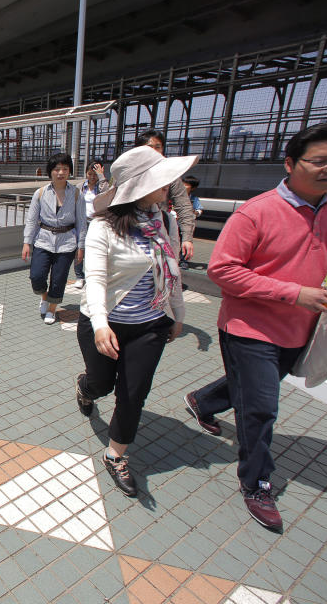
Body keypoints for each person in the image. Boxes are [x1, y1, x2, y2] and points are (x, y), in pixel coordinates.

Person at [184, 122, 327, 532]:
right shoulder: (257, 212)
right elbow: (222, 270)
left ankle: (203, 401)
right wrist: (294, 293)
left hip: (310, 327)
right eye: (321, 161)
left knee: (255, 387)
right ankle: (256, 482)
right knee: (261, 408)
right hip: (249, 327)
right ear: (291, 164)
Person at [75, 145, 193, 496]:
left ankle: (115, 454)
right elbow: (94, 279)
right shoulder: (103, 228)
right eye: (160, 181)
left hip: (150, 324)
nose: (168, 187)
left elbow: (170, 271)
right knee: (102, 385)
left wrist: (177, 315)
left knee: (133, 393)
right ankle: (85, 387)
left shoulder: (165, 220)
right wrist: (99, 323)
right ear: (138, 188)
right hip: (104, 323)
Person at [101, 129, 197, 260]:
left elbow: (183, 205)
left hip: (159, 230)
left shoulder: (172, 178)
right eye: (149, 148)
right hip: (128, 227)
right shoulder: (126, 175)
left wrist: (187, 237)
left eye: (158, 147)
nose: (154, 152)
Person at [22, 153, 87, 324]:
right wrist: (27, 242)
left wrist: (81, 247)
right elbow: (32, 220)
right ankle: (44, 297)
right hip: (43, 240)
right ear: (50, 171)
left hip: (67, 243)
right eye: (57, 169)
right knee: (37, 276)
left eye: (65, 169)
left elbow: (81, 222)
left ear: (70, 171)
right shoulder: (41, 193)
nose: (61, 172)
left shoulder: (76, 194)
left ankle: (52, 309)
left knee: (59, 280)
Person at [71, 161, 104, 291]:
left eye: (95, 174)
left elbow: (107, 193)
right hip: (82, 221)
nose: (92, 177)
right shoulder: (80, 187)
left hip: (97, 222)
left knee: (94, 251)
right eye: (90, 174)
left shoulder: (102, 186)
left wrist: (102, 177)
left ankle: (93, 277)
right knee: (79, 249)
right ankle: (80, 276)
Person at [178, 175, 202, 267]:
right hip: (175, 223)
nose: (183, 186)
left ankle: (184, 260)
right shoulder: (176, 197)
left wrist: (194, 212)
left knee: (186, 241)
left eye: (186, 184)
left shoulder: (194, 199)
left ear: (193, 188)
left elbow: (199, 210)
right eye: (183, 183)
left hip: (188, 225)